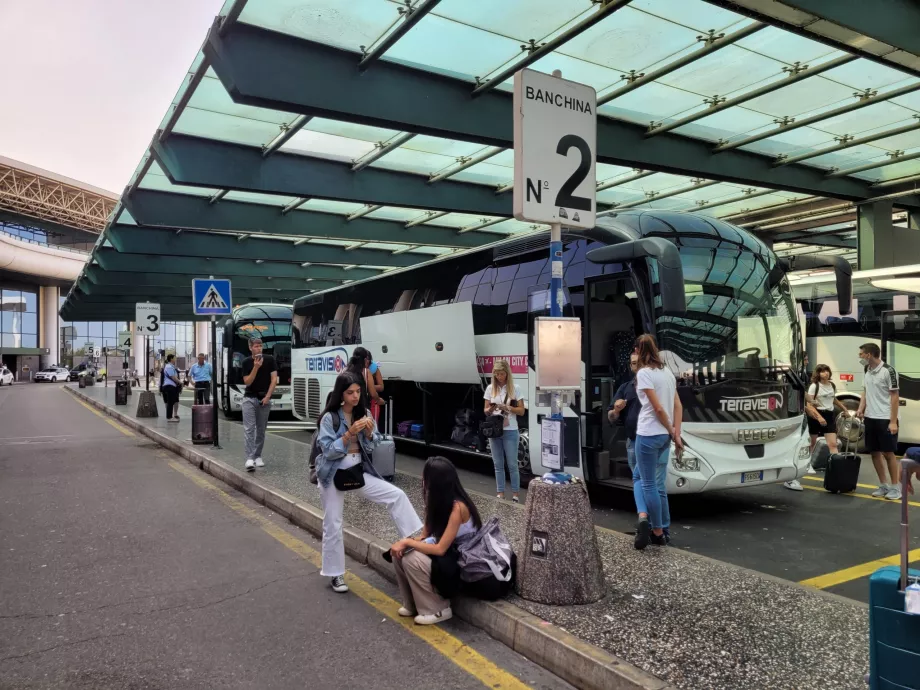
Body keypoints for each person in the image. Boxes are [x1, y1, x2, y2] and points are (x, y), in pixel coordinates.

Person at [316, 372, 422, 594]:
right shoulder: (330, 418)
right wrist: (348, 435)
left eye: (358, 392)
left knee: (397, 495)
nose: (355, 396)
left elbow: (372, 447)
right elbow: (327, 450)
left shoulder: (363, 413)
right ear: (340, 394)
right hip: (333, 473)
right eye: (350, 393)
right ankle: (335, 574)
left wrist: (371, 433)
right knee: (333, 523)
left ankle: (415, 542)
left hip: (357, 471)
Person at [389, 456, 482, 625]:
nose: (423, 482)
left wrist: (408, 543)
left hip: (462, 563)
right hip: (447, 558)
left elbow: (440, 548)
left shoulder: (458, 508)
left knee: (411, 558)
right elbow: (425, 536)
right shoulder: (435, 501)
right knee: (399, 554)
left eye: (426, 478)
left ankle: (438, 609)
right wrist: (403, 543)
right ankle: (411, 605)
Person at [633, 334, 682, 550]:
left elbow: (658, 408)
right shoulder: (667, 373)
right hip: (664, 437)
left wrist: (671, 429)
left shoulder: (644, 373)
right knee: (649, 480)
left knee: (648, 483)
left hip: (648, 434)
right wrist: (675, 433)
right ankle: (649, 521)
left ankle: (656, 530)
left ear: (638, 350)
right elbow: (677, 406)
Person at [785, 364, 851, 491]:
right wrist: (819, 417)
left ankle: (836, 471)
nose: (825, 373)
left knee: (833, 444)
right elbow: (809, 404)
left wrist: (844, 409)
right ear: (818, 373)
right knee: (811, 443)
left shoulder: (831, 385)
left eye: (827, 371)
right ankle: (802, 468)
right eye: (822, 371)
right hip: (816, 416)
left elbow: (833, 399)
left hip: (829, 415)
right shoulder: (814, 386)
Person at [856, 343, 901, 501]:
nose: (859, 357)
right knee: (874, 452)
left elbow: (895, 397)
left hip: (885, 418)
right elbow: (865, 391)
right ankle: (884, 485)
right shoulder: (866, 370)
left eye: (861, 354)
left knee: (888, 453)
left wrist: (893, 421)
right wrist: (861, 409)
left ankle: (895, 487)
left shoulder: (888, 371)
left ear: (869, 355)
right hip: (870, 417)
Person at [483, 359, 525, 502]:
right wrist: (491, 408)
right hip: (495, 429)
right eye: (497, 374)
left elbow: (521, 411)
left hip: (510, 429)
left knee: (512, 464)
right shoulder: (490, 389)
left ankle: (515, 494)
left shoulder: (515, 388)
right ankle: (500, 492)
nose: (499, 377)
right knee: (498, 464)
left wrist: (507, 408)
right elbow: (486, 410)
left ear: (507, 373)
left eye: (501, 374)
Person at [608, 353, 643, 515]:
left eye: (640, 362)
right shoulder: (625, 388)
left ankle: (647, 517)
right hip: (633, 441)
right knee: (639, 479)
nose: (637, 366)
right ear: (631, 366)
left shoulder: (653, 387)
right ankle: (644, 515)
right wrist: (616, 409)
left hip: (650, 440)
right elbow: (611, 417)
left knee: (646, 480)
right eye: (634, 363)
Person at [241, 337, 277, 472]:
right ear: (250, 348)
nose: (259, 348)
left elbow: (274, 379)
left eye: (260, 346)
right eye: (256, 346)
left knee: (261, 430)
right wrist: (255, 367)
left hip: (264, 399)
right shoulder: (246, 362)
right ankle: (249, 458)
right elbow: (247, 382)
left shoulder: (270, 360)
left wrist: (268, 396)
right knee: (249, 429)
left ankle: (257, 455)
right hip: (249, 398)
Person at [160, 354, 181, 422]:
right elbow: (173, 377)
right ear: (171, 359)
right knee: (170, 402)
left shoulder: (171, 366)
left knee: (171, 402)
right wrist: (180, 382)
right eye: (174, 358)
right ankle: (169, 417)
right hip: (169, 386)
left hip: (170, 386)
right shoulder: (169, 367)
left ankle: (170, 416)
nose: (175, 359)